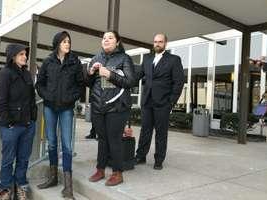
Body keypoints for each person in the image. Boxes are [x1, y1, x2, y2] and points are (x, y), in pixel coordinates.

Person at [35, 31, 83, 199]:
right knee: (52, 143)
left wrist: (71, 98)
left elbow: (80, 85)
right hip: (49, 108)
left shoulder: (74, 62)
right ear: (57, 43)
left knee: (67, 145)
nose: (67, 44)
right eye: (64, 41)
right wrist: (47, 96)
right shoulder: (48, 62)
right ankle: (53, 177)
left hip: (66, 109)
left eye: (69, 41)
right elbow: (39, 84)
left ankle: (68, 186)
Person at [86, 30, 136, 186]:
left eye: (110, 37)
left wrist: (110, 74)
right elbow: (87, 83)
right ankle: (100, 170)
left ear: (117, 42)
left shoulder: (124, 58)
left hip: (117, 106)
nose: (106, 40)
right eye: (104, 38)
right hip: (98, 106)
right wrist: (91, 72)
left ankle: (117, 172)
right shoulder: (96, 58)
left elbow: (130, 82)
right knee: (102, 139)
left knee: (114, 140)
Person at [135, 33, 185, 170]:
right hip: (147, 101)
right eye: (155, 41)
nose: (157, 44)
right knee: (145, 130)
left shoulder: (174, 60)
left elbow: (179, 82)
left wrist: (171, 102)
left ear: (165, 43)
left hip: (163, 103)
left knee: (161, 133)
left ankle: (159, 160)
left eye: (160, 42)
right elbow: (136, 76)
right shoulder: (147, 58)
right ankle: (140, 156)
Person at [0, 43, 37, 200]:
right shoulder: (4, 74)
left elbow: (32, 99)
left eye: (25, 54)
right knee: (8, 159)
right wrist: (8, 123)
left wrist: (33, 118)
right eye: (21, 54)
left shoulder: (27, 75)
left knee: (23, 158)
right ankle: (5, 188)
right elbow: (0, 102)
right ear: (12, 56)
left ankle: (20, 186)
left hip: (27, 125)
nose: (25, 57)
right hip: (11, 127)